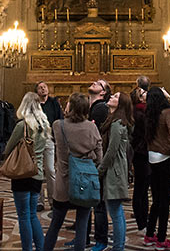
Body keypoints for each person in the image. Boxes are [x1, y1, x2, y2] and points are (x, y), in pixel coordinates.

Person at [43, 93, 102, 251]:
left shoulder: (58, 125)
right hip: (84, 182)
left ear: (71, 106)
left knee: (55, 224)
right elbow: (99, 156)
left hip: (64, 181)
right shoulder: (92, 126)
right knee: (82, 226)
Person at [4, 92, 50, 251]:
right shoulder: (44, 124)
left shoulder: (22, 125)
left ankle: (27, 249)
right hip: (37, 173)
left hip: (22, 172)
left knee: (23, 216)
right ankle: (41, 247)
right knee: (32, 215)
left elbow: (8, 148)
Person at [144, 87, 170, 250]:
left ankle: (149, 234)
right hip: (166, 157)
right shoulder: (167, 112)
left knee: (156, 199)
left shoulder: (149, 114)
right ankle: (162, 238)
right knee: (165, 200)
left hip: (152, 157)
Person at [99, 92, 133, 251]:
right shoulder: (115, 122)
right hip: (116, 170)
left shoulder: (117, 124)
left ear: (120, 104)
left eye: (115, 96)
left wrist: (100, 169)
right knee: (116, 210)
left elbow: (111, 151)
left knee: (115, 212)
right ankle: (119, 245)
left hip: (114, 172)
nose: (111, 96)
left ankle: (118, 247)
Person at [86, 79, 111, 251]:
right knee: (87, 201)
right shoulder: (93, 107)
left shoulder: (101, 109)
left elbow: (97, 136)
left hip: (96, 160)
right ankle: (84, 236)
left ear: (103, 92)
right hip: (89, 159)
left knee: (99, 204)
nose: (94, 82)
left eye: (99, 83)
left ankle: (101, 240)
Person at [36, 82, 63, 210]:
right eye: (40, 87)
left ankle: (53, 199)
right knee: (37, 171)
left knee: (51, 170)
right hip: (36, 139)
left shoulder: (53, 103)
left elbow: (59, 120)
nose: (43, 89)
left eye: (44, 87)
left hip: (49, 139)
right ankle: (39, 201)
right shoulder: (34, 105)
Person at [129, 86, 150, 232]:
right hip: (142, 152)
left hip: (142, 152)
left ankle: (144, 218)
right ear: (139, 98)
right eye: (142, 93)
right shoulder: (139, 112)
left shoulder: (142, 111)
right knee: (141, 188)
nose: (146, 93)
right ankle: (141, 221)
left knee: (143, 188)